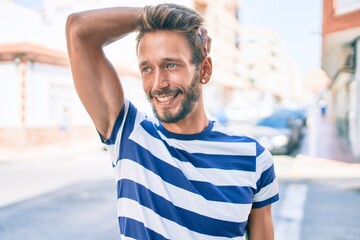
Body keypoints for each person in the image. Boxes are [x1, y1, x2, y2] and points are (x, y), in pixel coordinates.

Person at [66, 3, 279, 240]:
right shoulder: (129, 136)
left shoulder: (253, 159)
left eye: (170, 65)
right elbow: (79, 29)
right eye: (147, 69)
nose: (158, 83)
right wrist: (154, 17)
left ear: (204, 70)